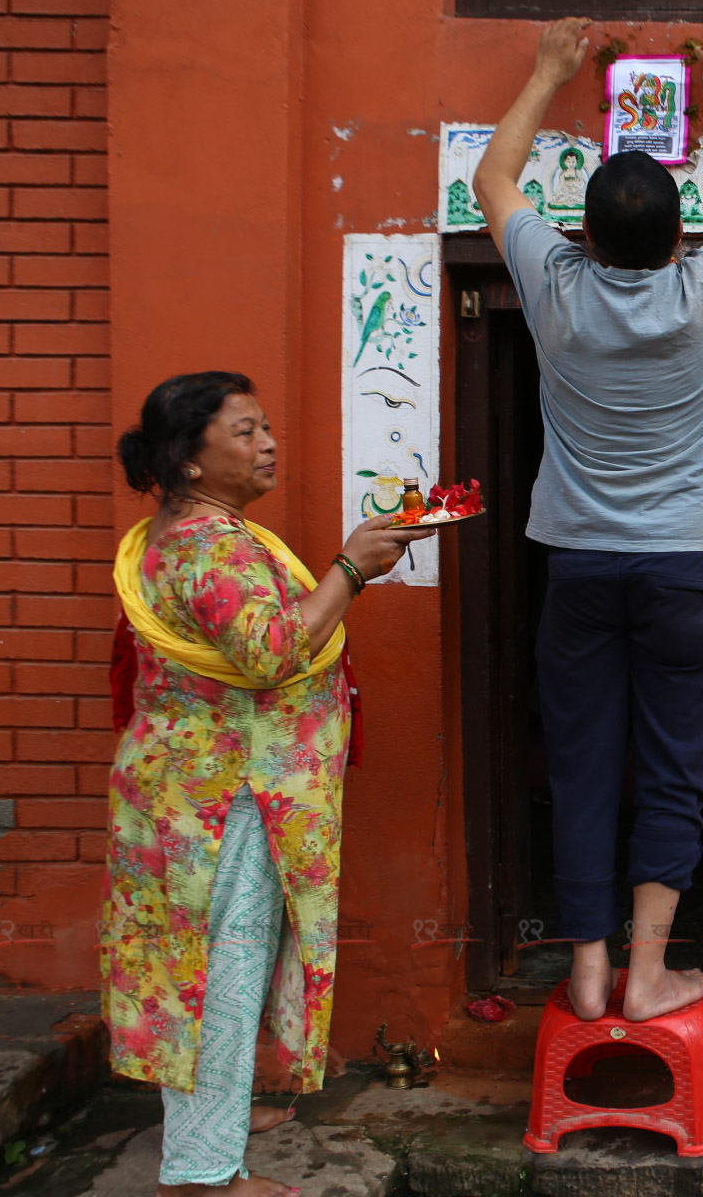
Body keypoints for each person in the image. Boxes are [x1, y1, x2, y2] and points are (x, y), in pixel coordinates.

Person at [472, 19, 703, 1023]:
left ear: (580, 236)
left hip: (579, 569)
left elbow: (492, 185)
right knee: (675, 768)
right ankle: (647, 971)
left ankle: (587, 970)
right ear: (682, 239)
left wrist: (546, 74)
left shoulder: (554, 287)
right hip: (681, 570)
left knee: (583, 764)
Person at [102, 372, 426, 1197]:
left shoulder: (184, 532)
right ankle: (206, 1173)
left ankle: (219, 1112)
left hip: (201, 790)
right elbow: (273, 654)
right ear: (190, 459)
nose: (269, 443)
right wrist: (351, 567)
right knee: (223, 968)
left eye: (267, 426)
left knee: (207, 963)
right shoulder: (212, 548)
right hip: (224, 799)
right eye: (245, 432)